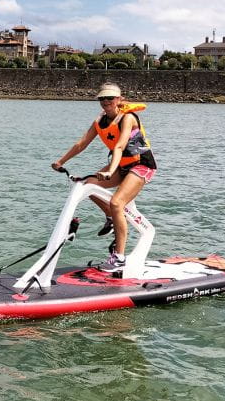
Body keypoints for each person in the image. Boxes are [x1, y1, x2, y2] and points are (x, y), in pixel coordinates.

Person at [51, 82, 157, 272]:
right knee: (87, 185)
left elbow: (119, 146)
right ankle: (110, 216)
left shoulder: (128, 118)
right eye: (102, 98)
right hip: (122, 165)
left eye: (110, 98)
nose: (106, 101)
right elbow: (81, 144)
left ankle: (119, 257)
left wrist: (109, 171)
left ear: (119, 99)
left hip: (142, 165)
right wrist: (61, 161)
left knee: (117, 203)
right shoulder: (100, 122)